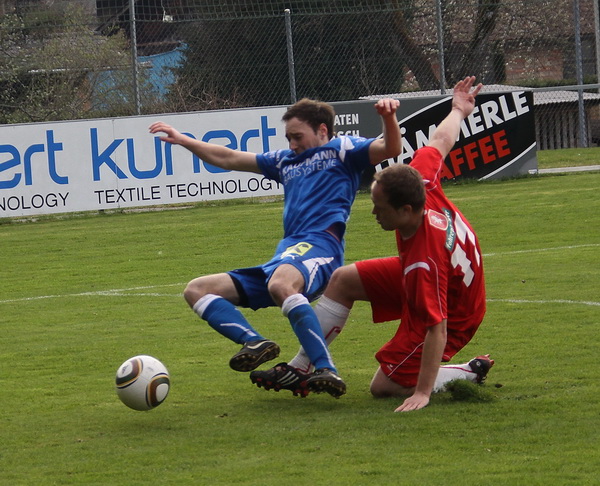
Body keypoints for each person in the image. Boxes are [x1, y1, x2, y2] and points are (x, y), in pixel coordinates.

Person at [250, 76, 494, 410]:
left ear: (405, 210)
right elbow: (441, 140)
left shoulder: (424, 259)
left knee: (385, 386)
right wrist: (458, 110)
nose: (374, 213)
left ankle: (465, 372)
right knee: (343, 279)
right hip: (444, 275)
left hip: (456, 309)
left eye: (380, 208)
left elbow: (436, 328)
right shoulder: (420, 180)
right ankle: (302, 366)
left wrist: (422, 393)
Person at [148, 97, 401, 398]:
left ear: (322, 130)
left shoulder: (343, 150)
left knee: (281, 283)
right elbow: (229, 158)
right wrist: (184, 140)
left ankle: (325, 368)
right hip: (287, 255)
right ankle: (255, 342)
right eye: (288, 138)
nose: (292, 144)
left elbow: (390, 149)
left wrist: (388, 117)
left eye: (297, 137)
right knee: (197, 290)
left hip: (321, 247)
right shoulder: (285, 161)